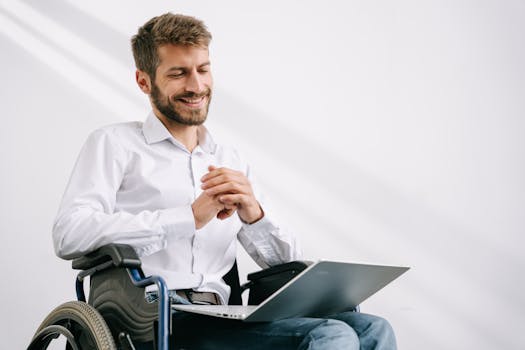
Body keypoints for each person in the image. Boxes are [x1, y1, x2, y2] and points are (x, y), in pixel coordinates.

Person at [52, 12, 397, 350]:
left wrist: (254, 213)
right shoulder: (114, 144)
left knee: (372, 328)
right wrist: (189, 217)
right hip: (156, 317)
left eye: (203, 69)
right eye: (179, 73)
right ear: (144, 81)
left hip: (225, 313)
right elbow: (69, 233)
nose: (196, 85)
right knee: (331, 337)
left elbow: (286, 263)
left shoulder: (229, 158)